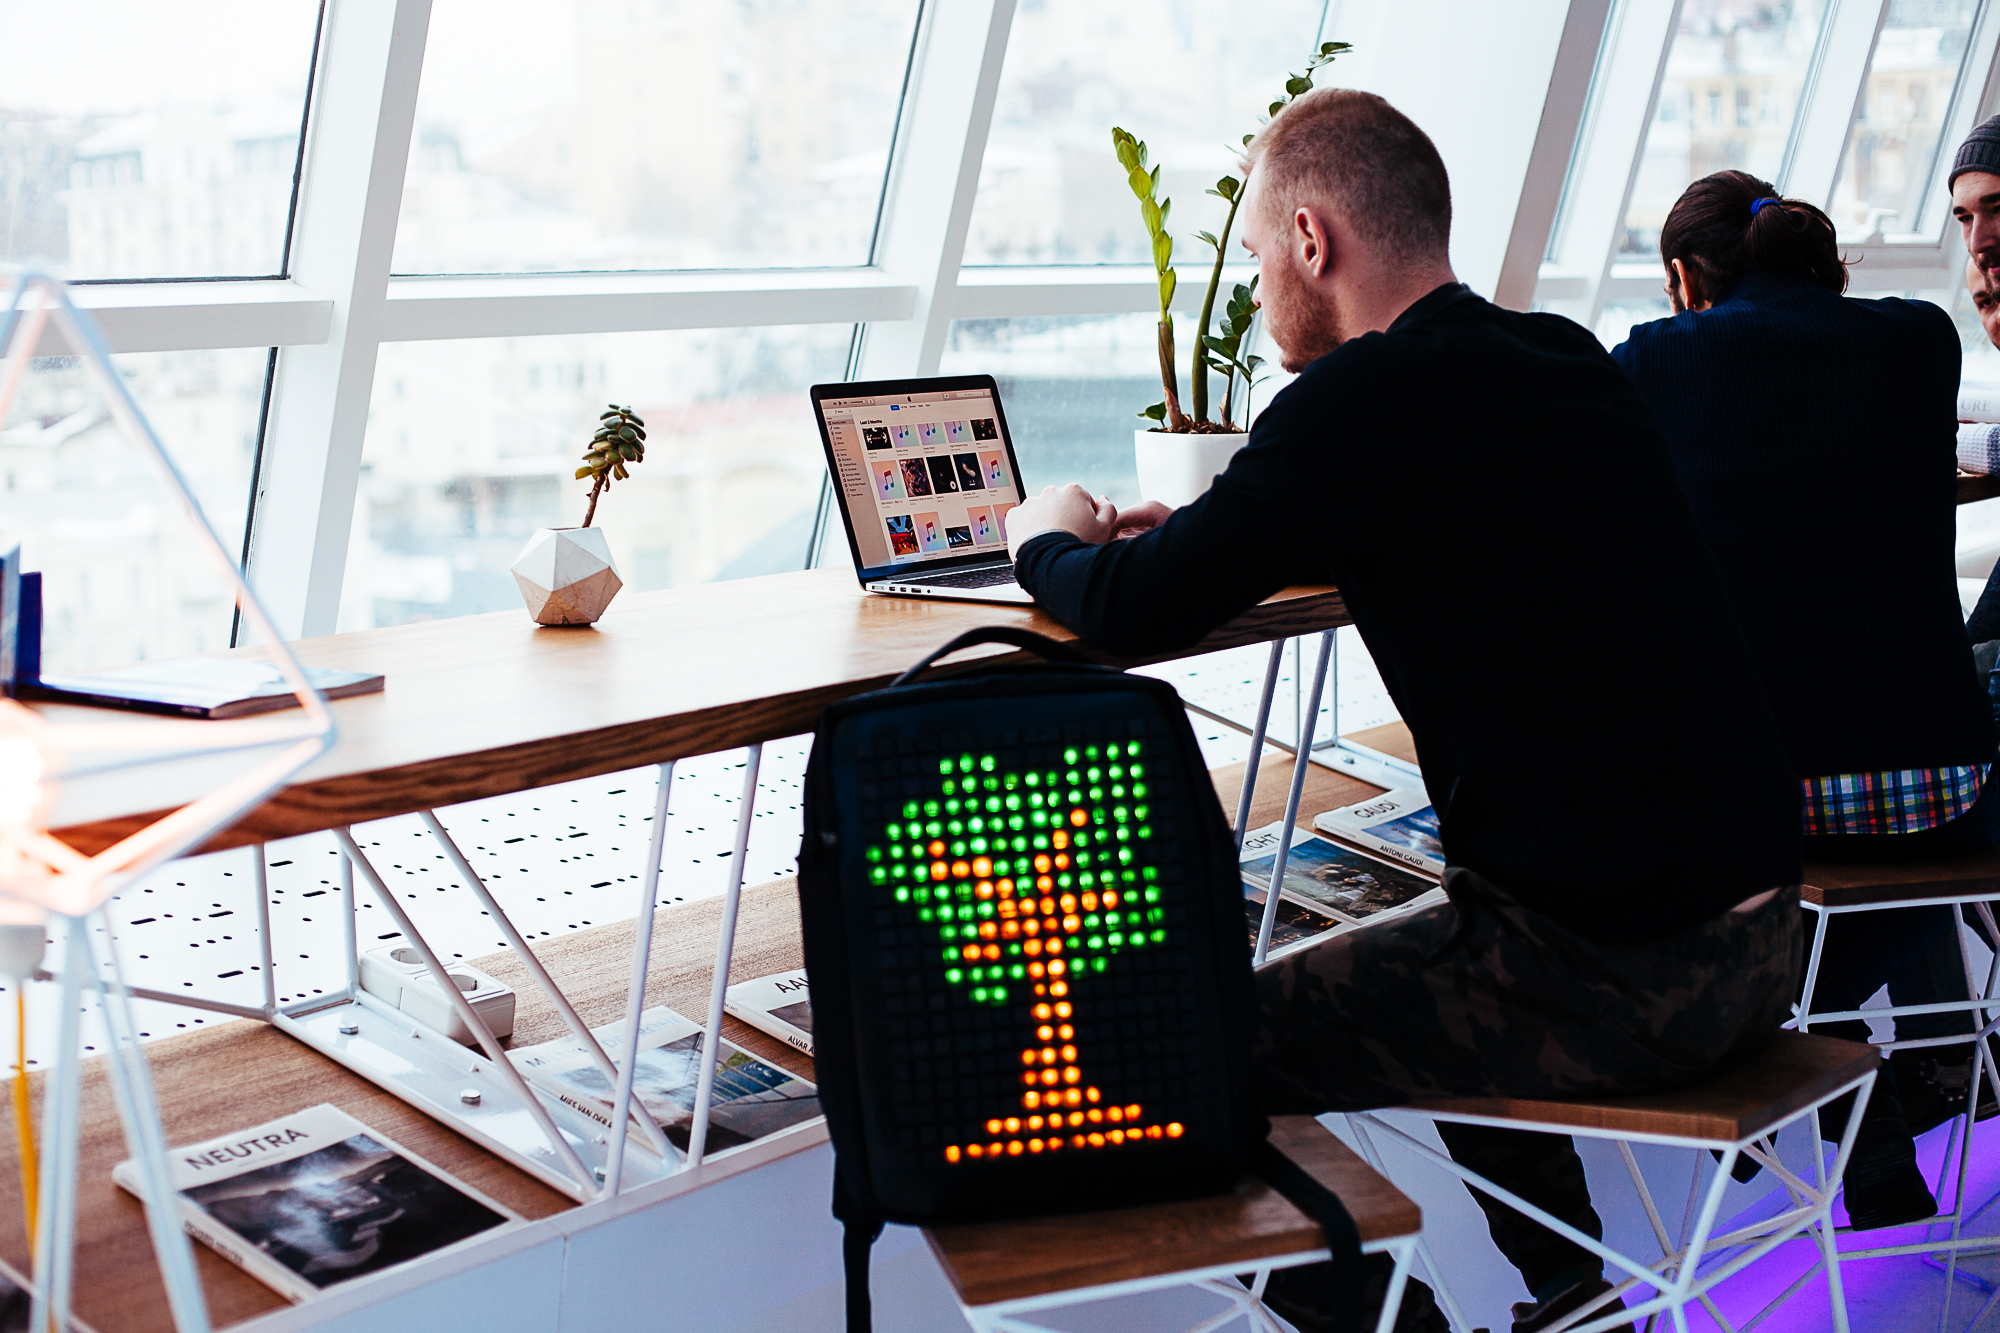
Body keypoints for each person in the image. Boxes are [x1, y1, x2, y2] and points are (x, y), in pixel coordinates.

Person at [1004, 88, 1803, 1333]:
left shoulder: (1356, 403)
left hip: (1621, 983)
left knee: (1185, 1051)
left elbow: (1126, 610)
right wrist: (1236, 527)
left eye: (1265, 254)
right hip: (1761, 944)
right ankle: (1570, 1294)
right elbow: (1467, 524)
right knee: (1450, 928)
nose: (1261, 286)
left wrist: (1037, 536)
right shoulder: (1556, 355)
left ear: (1313, 240)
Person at [1606, 170, 1997, 1229]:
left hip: (1757, 818)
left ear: (1684, 280)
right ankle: (1883, 1074)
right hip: (1940, 796)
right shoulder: (1922, 340)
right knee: (1926, 700)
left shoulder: (1647, 364)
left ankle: (1811, 1056)